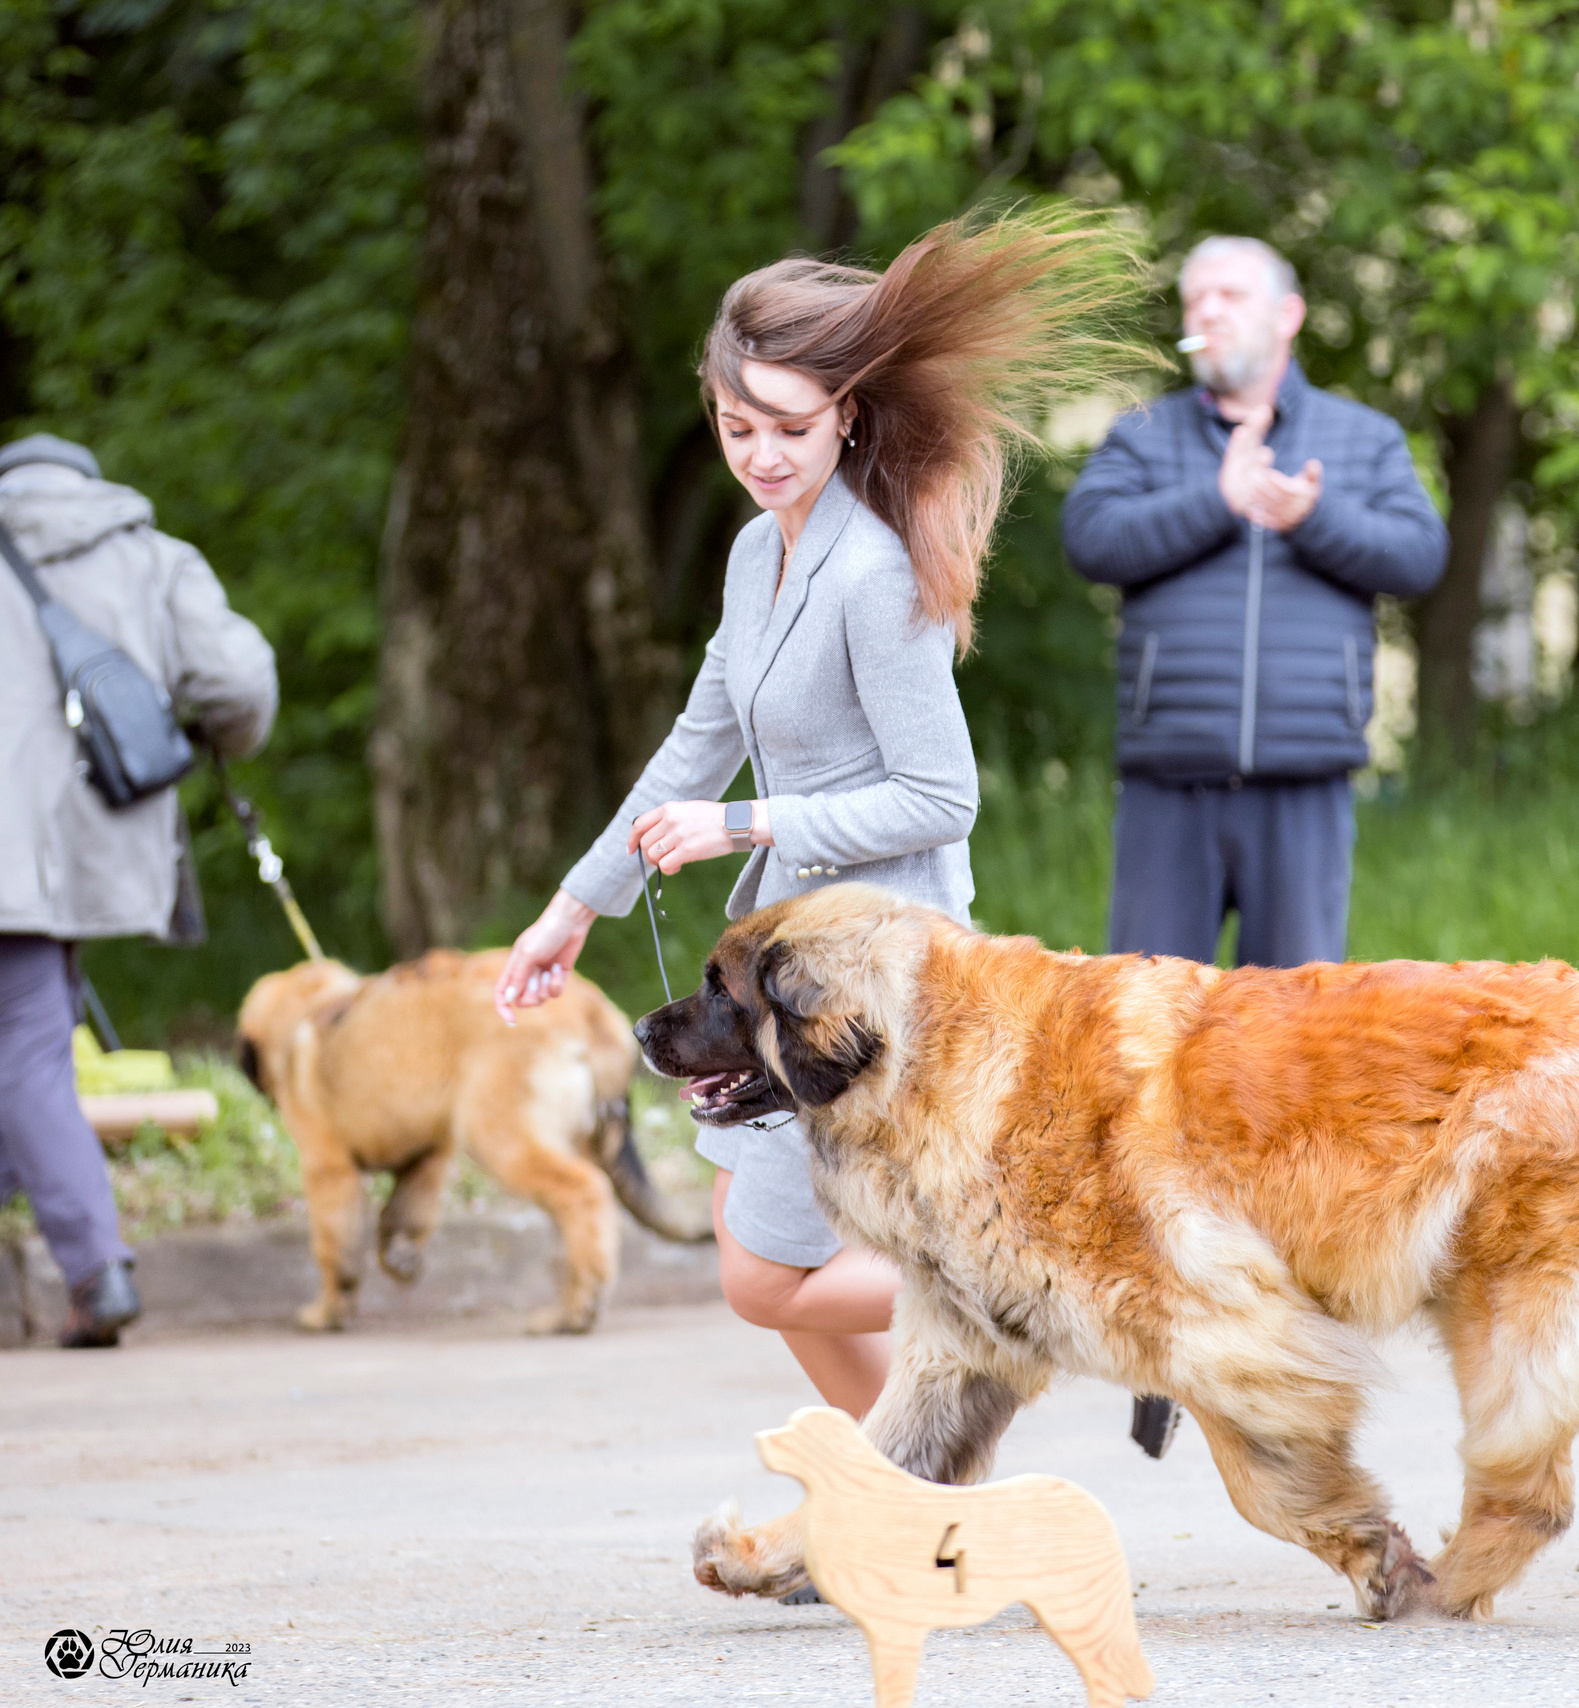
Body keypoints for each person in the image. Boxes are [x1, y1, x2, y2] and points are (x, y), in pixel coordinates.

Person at [495, 215, 1151, 1431]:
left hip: (877, 986)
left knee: (766, 1274)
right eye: (737, 428)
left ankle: (1016, 1292)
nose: (761, 455)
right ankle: (900, 1494)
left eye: (790, 428)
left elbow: (940, 795)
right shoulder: (757, 556)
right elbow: (693, 743)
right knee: (756, 1263)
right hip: (792, 973)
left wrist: (744, 823)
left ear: (849, 412)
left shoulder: (878, 572)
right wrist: (568, 909)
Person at [1064, 236, 1448, 971]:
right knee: (1144, 1023)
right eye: (1195, 298)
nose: (1208, 311)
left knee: (1295, 1034)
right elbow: (1090, 538)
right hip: (1168, 783)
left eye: (1230, 295)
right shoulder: (1144, 433)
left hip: (1306, 783)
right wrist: (1218, 500)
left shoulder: (1363, 439)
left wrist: (1314, 518)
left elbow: (1420, 556)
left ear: (1288, 315)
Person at [0, 432, 278, 1346]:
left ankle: (95, 1270)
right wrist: (213, 736)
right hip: (99, 834)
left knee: (27, 1046)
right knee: (31, 1035)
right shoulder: (153, 554)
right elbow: (238, 681)